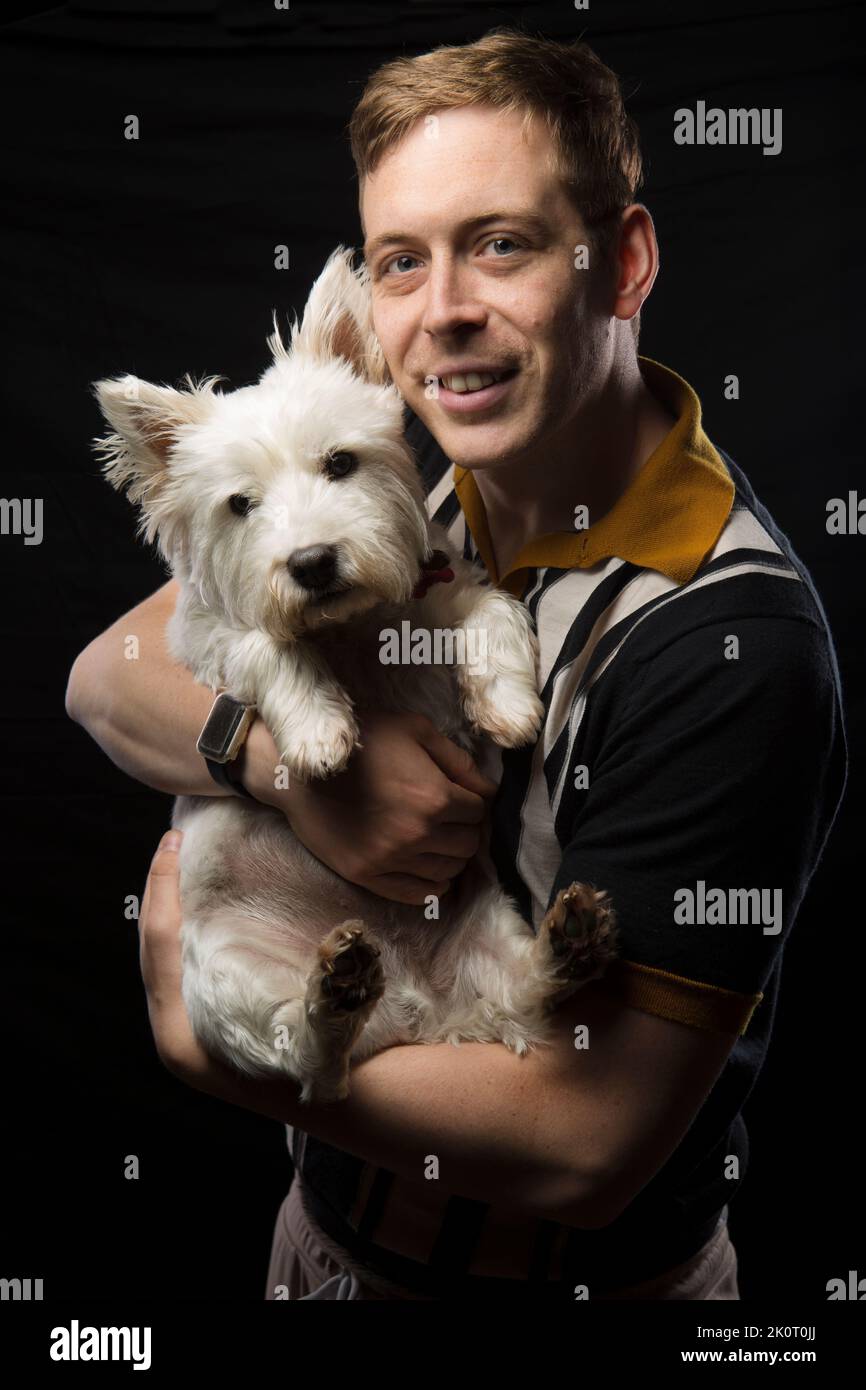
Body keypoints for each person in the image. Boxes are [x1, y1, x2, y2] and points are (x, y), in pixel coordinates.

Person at [66, 29, 847, 1301]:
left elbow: (582, 1151)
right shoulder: (415, 471)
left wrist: (220, 1054)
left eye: (502, 243)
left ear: (623, 262)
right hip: (321, 1252)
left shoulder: (727, 644)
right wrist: (281, 768)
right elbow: (107, 670)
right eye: (399, 262)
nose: (443, 315)